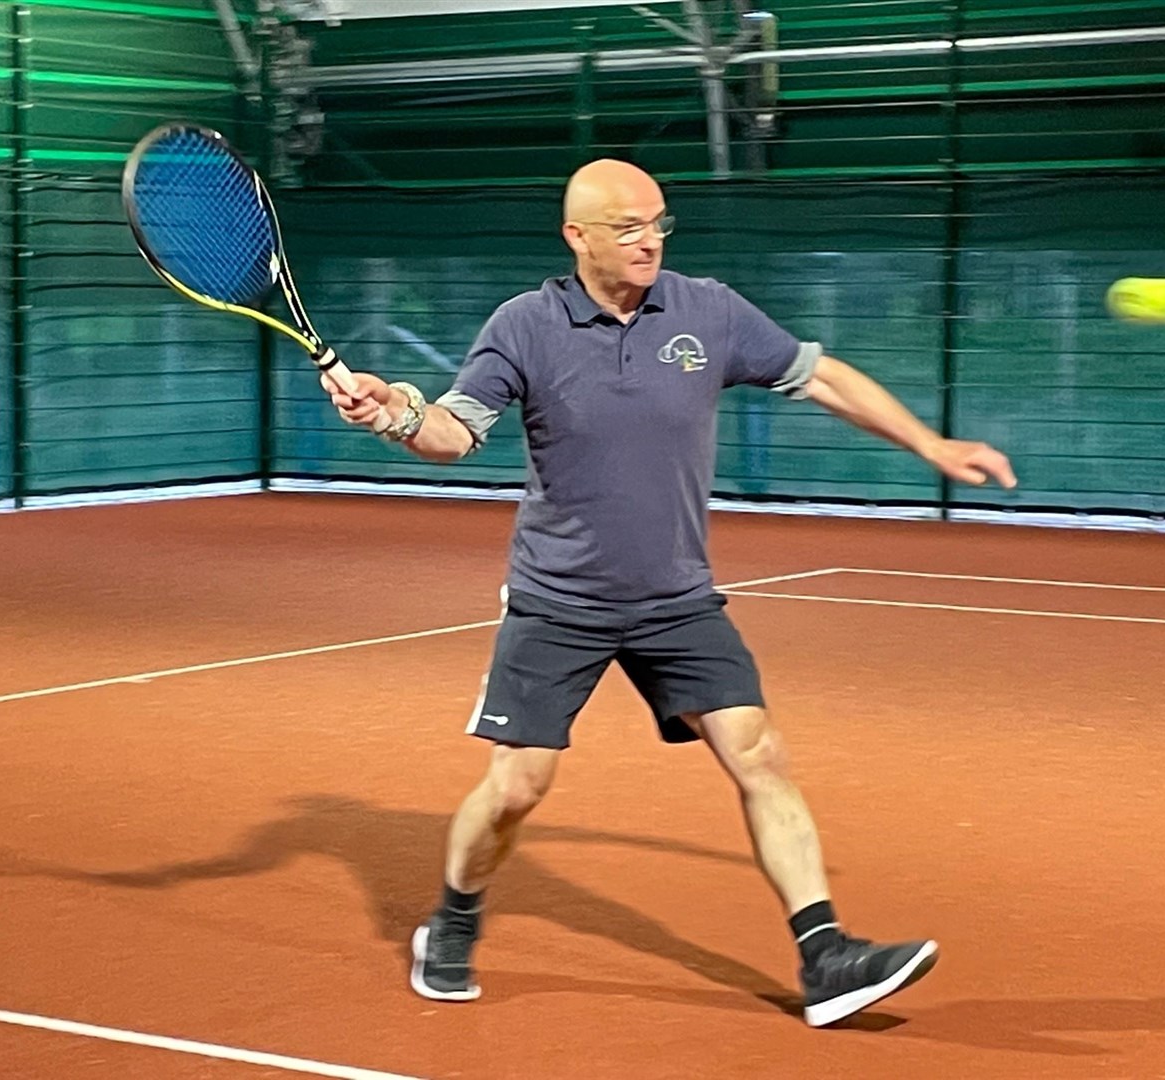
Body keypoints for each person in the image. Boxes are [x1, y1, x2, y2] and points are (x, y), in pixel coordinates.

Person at [320, 159, 1016, 1027]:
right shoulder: (524, 327)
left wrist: (930, 445)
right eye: (627, 227)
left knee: (758, 751)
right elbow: (454, 434)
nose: (649, 240)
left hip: (676, 596)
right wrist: (390, 412)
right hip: (560, 599)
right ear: (578, 236)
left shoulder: (707, 310)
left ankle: (825, 955)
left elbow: (823, 374)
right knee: (519, 788)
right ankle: (453, 921)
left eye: (658, 223)